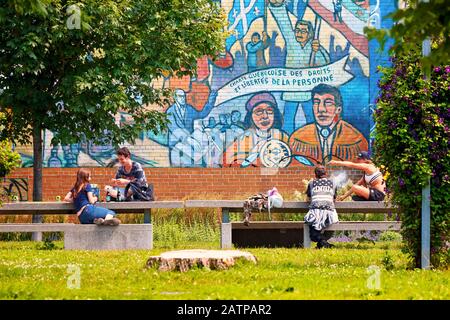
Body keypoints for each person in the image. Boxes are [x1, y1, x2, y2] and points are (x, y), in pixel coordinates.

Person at [268, 0, 330, 134]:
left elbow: (326, 64)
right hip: (292, 91)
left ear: (309, 34)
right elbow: (283, 22)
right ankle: (287, 141)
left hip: (308, 91)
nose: (299, 33)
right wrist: (276, 5)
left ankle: (311, 142)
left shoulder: (314, 47)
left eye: (303, 31)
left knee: (311, 119)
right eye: (297, 30)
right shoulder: (292, 42)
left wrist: (317, 50)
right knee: (288, 120)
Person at [289, 84, 368, 166]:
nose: (321, 109)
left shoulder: (356, 139)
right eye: (316, 102)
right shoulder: (298, 138)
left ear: (338, 109)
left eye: (328, 103)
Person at [222, 92, 290, 167]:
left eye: (270, 111)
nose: (265, 116)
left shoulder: (282, 136)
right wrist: (252, 155)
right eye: (259, 111)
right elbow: (226, 163)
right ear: (251, 116)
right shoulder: (245, 138)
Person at [304, 165, 338, 248]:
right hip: (330, 215)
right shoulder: (333, 183)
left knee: (313, 233)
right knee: (321, 226)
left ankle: (324, 243)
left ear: (315, 175)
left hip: (316, 212)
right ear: (326, 173)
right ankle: (323, 244)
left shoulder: (312, 183)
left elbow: (308, 200)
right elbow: (334, 199)